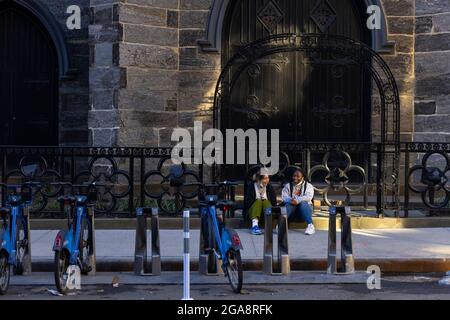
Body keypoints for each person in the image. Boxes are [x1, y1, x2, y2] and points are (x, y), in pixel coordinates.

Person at [282, 169, 316, 235]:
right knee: (289, 204)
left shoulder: (308, 186)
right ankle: (281, 225)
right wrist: (291, 200)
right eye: (294, 176)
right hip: (292, 211)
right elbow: (284, 197)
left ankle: (310, 226)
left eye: (298, 176)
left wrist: (297, 200)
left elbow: (308, 197)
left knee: (303, 203)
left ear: (302, 177)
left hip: (305, 211)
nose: (295, 178)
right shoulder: (288, 186)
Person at [244, 170, 277, 235]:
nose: (267, 180)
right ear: (258, 179)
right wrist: (258, 199)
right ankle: (254, 226)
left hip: (266, 212)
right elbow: (247, 203)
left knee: (265, 201)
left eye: (268, 178)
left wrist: (264, 200)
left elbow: (274, 203)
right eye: (264, 178)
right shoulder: (252, 186)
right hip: (253, 211)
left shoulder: (269, 187)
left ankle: (269, 225)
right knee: (259, 201)